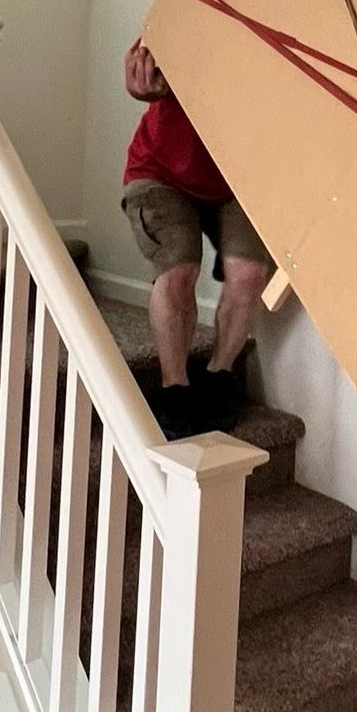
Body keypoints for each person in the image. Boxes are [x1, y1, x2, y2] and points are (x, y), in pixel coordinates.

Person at [121, 36, 271, 438]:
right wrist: (142, 77)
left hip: (235, 178)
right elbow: (149, 51)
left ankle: (219, 376)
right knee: (178, 269)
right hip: (160, 170)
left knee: (250, 274)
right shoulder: (198, 0)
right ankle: (175, 389)